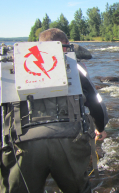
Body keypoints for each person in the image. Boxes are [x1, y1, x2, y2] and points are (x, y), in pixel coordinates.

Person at [0, 28, 109, 193]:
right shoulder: (75, 69)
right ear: (66, 46)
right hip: (69, 139)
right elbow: (95, 104)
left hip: (21, 143)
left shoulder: (11, 69)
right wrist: (100, 128)